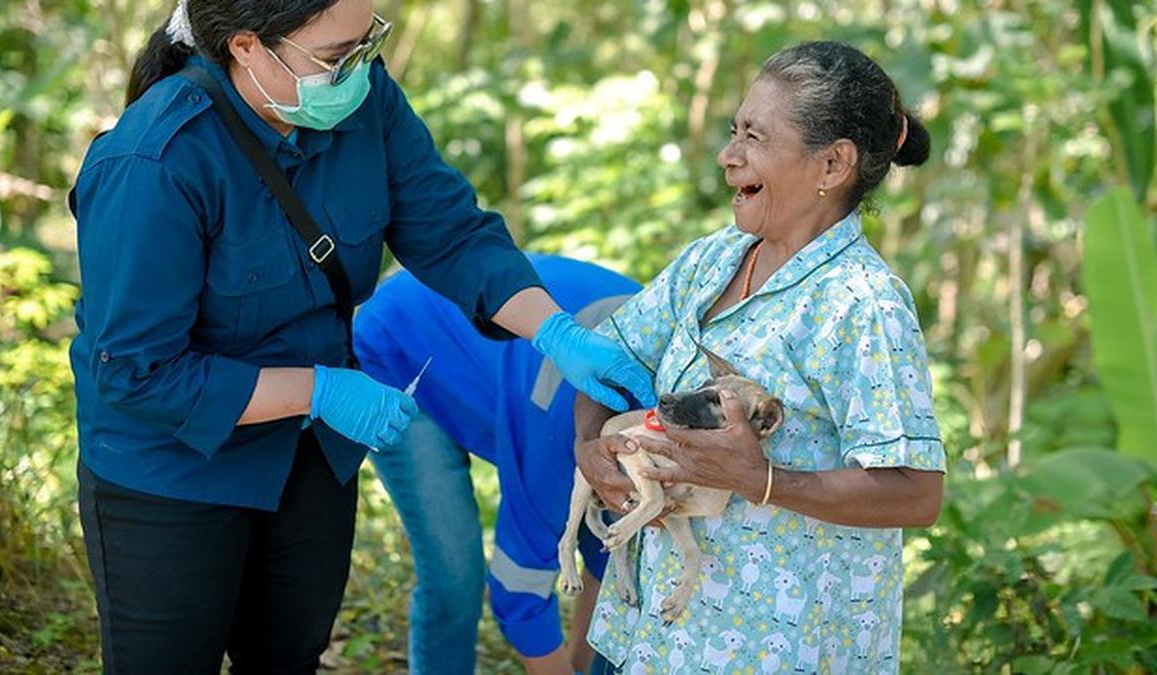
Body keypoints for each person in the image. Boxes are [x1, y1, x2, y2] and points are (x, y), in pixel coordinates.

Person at [67, 1, 655, 672]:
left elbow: (452, 231)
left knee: (288, 656)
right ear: (247, 47)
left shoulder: (363, 100)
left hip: (306, 462)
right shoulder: (156, 160)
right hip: (171, 472)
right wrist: (316, 389)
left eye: (365, 43)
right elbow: (137, 372)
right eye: (333, 56)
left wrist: (554, 331)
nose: (356, 71)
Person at [574, 41, 946, 672]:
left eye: (753, 136)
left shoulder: (862, 303)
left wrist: (764, 481)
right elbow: (606, 358)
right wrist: (589, 446)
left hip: (770, 652)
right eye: (732, 131)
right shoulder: (713, 258)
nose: (728, 156)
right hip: (646, 636)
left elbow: (916, 492)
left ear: (832, 164)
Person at [352, 254, 640, 675]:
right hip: (404, 347)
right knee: (455, 573)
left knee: (619, 548)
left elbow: (612, 561)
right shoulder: (560, 436)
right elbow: (517, 592)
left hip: (498, 366)